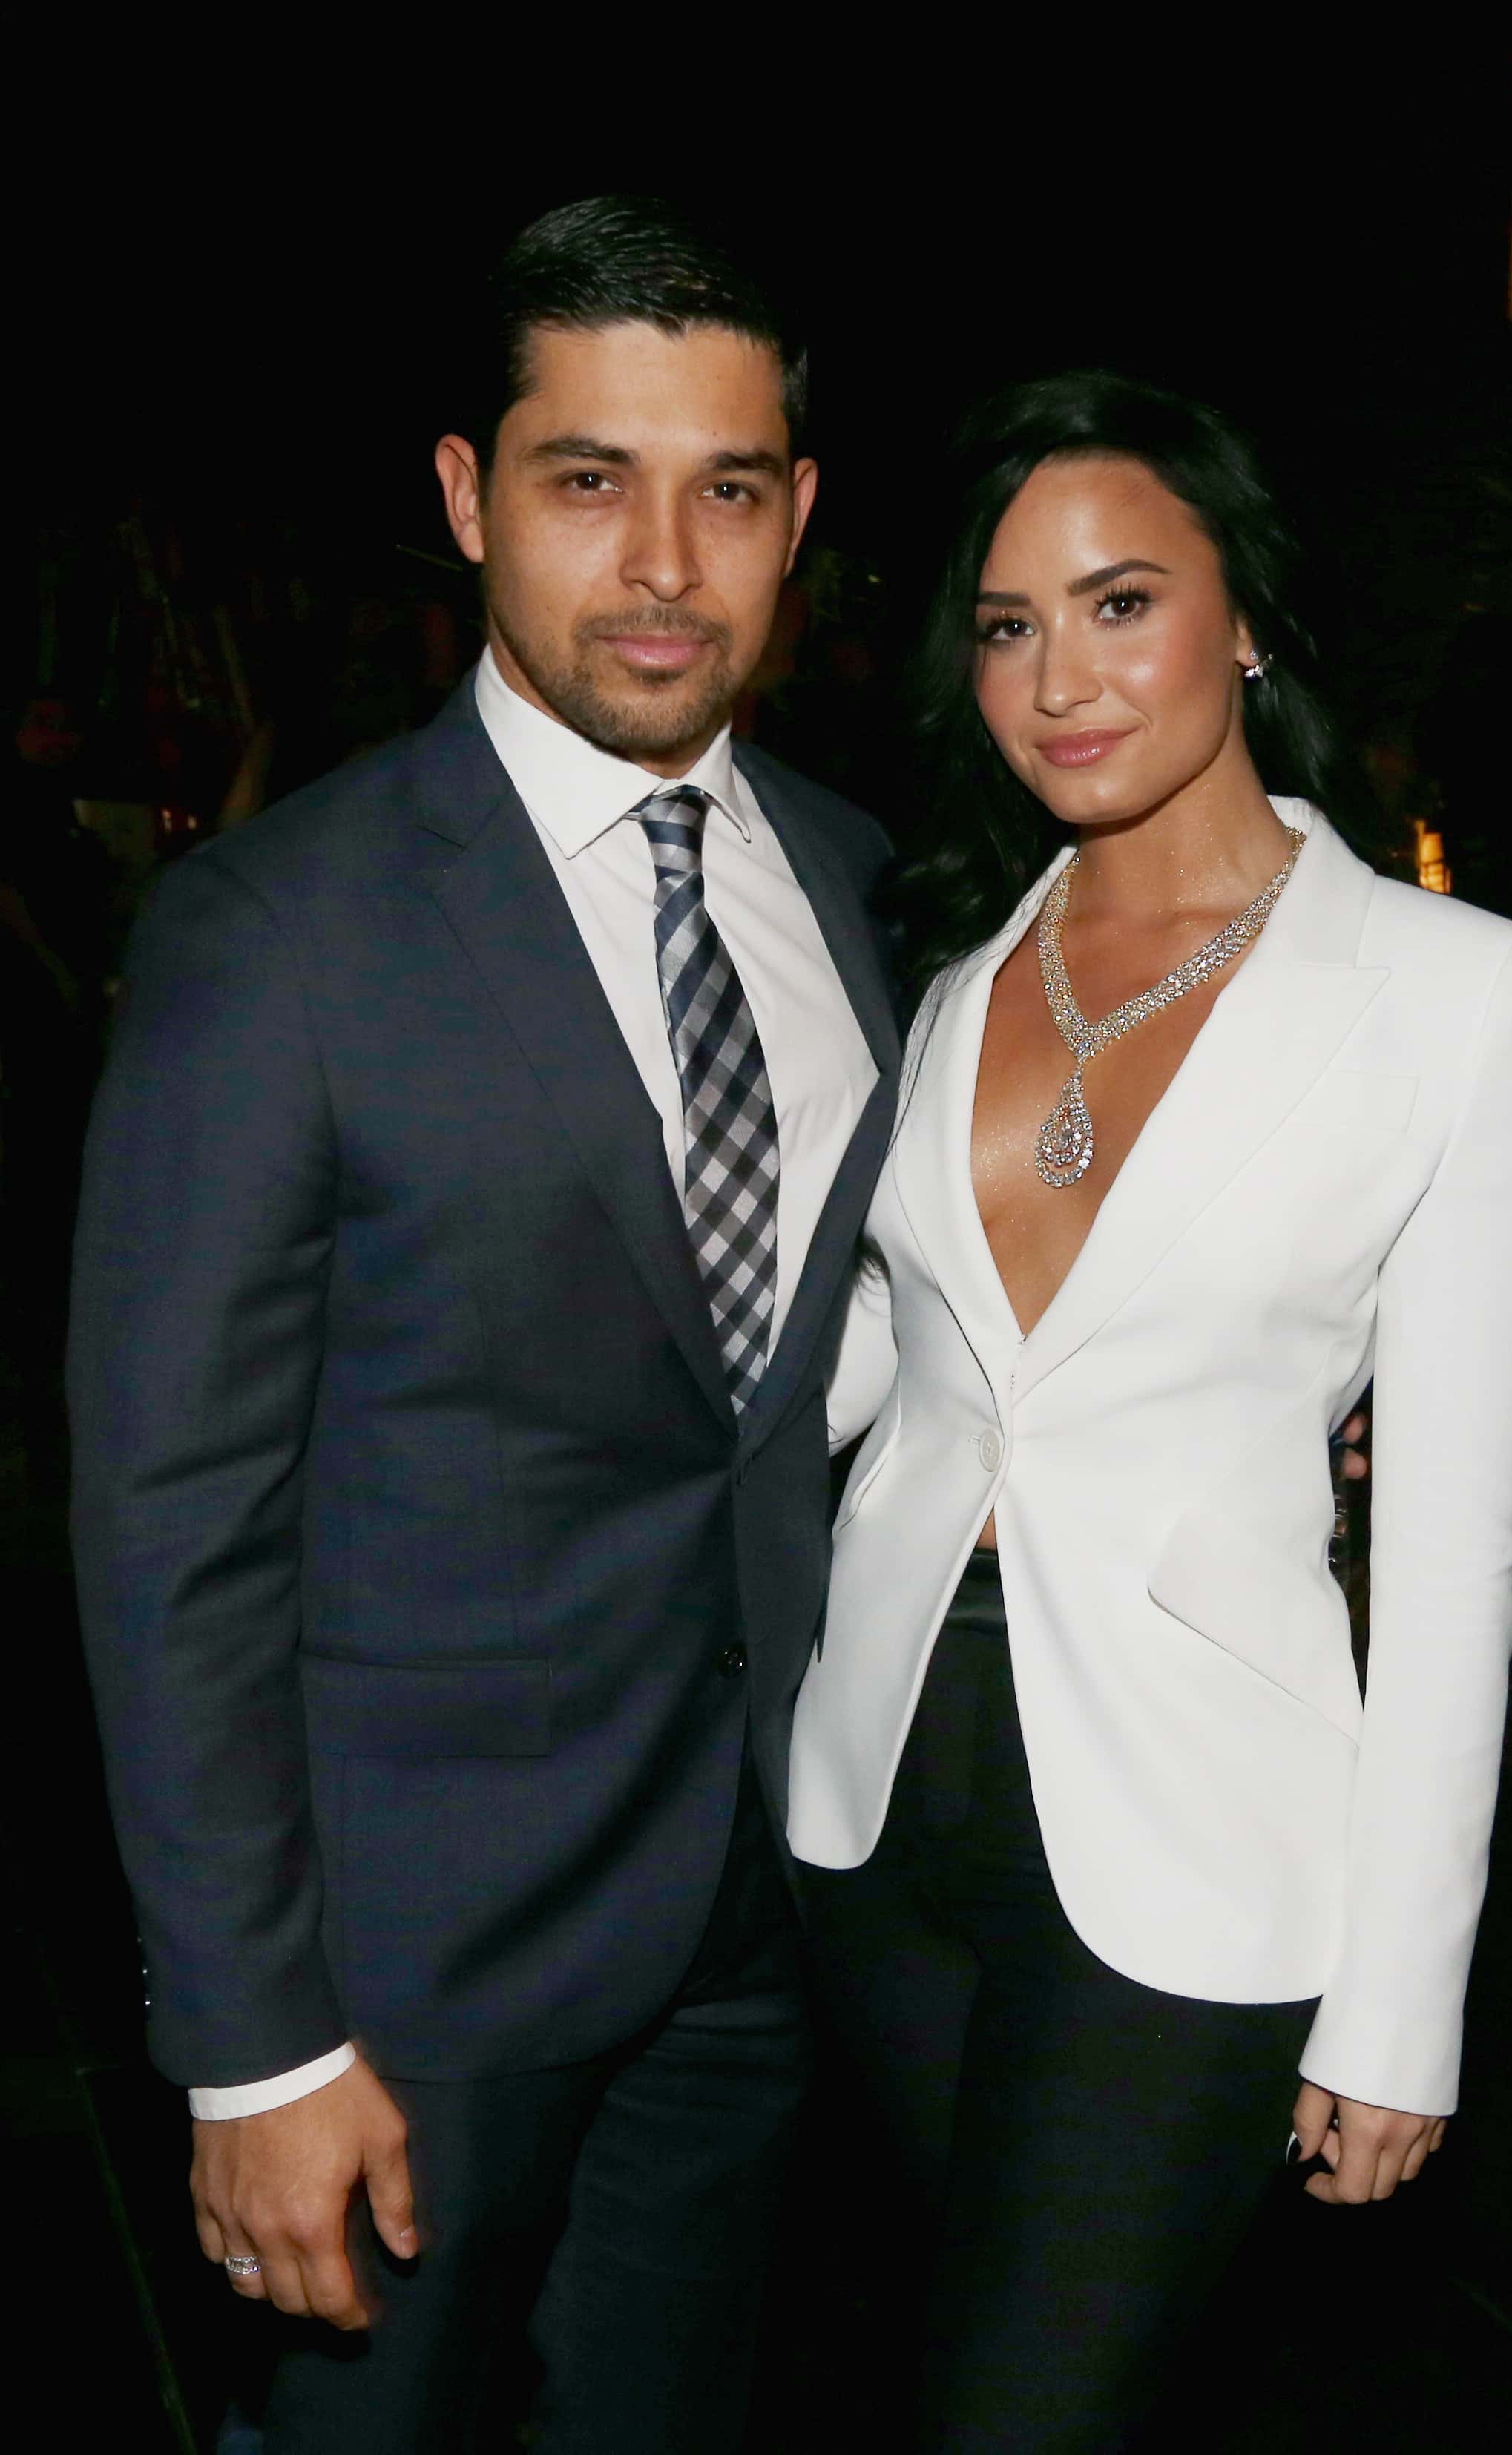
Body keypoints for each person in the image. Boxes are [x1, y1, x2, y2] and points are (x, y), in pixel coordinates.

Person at [69, 196, 898, 2454]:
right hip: (403, 1971)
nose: (659, 559)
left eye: (726, 488)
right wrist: (255, 2038)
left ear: (796, 516)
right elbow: (170, 1523)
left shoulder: (856, 877)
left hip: (751, 1927)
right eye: (584, 477)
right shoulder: (278, 929)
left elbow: (854, 1363)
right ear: (464, 496)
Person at [789, 373, 1512, 2448]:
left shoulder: (1459, 993)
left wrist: (1404, 2001)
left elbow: (1452, 1548)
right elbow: (874, 1364)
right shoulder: (963, 961)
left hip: (1198, 1839)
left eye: (1119, 602)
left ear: (1243, 617)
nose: (1057, 677)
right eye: (1005, 623)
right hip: (878, 1802)